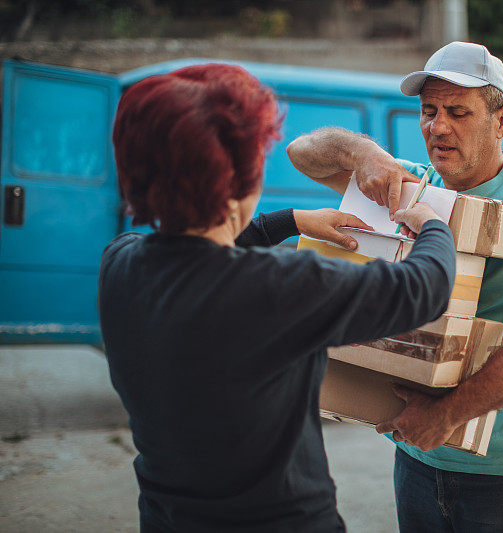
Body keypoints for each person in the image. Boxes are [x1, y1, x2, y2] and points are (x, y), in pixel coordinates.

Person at [98, 63, 457, 532]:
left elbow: (195, 251)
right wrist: (433, 224)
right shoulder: (279, 286)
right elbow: (423, 289)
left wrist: (291, 221)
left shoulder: (120, 266)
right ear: (240, 183)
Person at [287, 41, 503, 532]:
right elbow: (302, 154)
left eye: (458, 113)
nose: (437, 127)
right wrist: (363, 152)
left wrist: (446, 416)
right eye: (428, 111)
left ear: (501, 121)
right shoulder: (407, 185)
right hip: (417, 457)